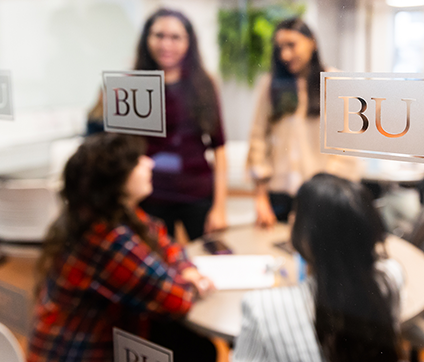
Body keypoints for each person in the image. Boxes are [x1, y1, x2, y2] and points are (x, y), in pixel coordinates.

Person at [27, 133, 216, 362]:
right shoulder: (106, 238)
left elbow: (166, 244)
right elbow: (178, 299)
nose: (150, 162)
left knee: (192, 344)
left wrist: (186, 270)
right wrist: (195, 281)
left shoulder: (109, 213)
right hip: (78, 354)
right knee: (195, 348)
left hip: (97, 342)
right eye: (138, 160)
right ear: (116, 181)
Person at [87, 8, 227, 240]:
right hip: (151, 196)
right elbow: (120, 149)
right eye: (159, 35)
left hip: (197, 192)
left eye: (175, 37)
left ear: (188, 42)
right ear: (146, 39)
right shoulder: (132, 85)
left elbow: (219, 146)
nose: (166, 44)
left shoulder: (203, 84)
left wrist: (220, 207)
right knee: (158, 263)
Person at [233, 173, 405, 362]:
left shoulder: (261, 308)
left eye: (295, 213)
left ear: (305, 236)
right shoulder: (391, 278)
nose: (291, 218)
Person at [247, 18, 361, 227]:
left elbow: (348, 149)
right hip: (278, 196)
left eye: (291, 45)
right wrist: (260, 197)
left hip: (320, 196)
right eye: (280, 48)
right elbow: (258, 139)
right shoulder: (271, 84)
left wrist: (322, 195)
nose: (285, 55)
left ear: (313, 42)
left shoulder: (335, 82)